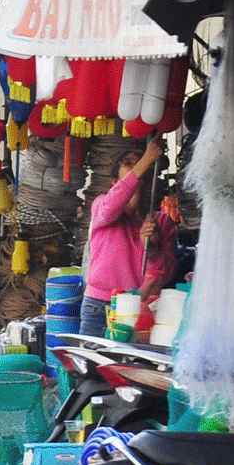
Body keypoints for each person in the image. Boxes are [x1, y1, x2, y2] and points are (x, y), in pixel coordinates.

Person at [79, 136, 162, 340]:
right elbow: (116, 200)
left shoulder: (151, 223)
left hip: (131, 307)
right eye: (128, 164)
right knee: (90, 368)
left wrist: (151, 247)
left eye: (138, 164)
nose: (136, 168)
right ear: (115, 182)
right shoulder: (102, 206)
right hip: (98, 305)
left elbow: (159, 271)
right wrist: (146, 160)